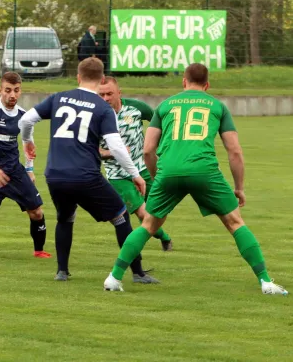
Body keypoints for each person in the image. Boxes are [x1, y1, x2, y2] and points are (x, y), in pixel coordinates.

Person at [103, 63, 288, 295]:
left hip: (168, 171)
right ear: (207, 85)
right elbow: (235, 151)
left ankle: (114, 277)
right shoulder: (217, 105)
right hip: (204, 171)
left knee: (149, 224)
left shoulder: (166, 105)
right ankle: (265, 281)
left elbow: (148, 150)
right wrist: (239, 188)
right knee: (234, 222)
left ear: (184, 82)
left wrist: (156, 176)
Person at [19, 57, 157, 283]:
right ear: (102, 79)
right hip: (85, 175)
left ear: (78, 77)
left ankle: (62, 271)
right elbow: (116, 146)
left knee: (65, 218)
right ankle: (138, 273)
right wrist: (135, 174)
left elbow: (26, 120)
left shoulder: (58, 98)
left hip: (55, 174)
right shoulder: (103, 108)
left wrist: (27, 141)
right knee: (121, 216)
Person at [0, 72, 51, 258]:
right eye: (8, 90)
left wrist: (29, 168)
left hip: (14, 172)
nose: (12, 95)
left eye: (16, 90)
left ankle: (38, 251)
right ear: (0, 90)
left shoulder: (24, 116)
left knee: (37, 212)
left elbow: (28, 142)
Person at [98, 76, 173, 251]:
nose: (105, 99)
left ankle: (159, 234)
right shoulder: (94, 116)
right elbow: (93, 152)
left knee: (158, 209)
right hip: (118, 175)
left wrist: (160, 145)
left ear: (119, 92)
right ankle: (165, 238)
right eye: (101, 95)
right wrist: (113, 153)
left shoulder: (136, 108)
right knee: (142, 212)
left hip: (144, 169)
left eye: (109, 94)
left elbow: (159, 122)